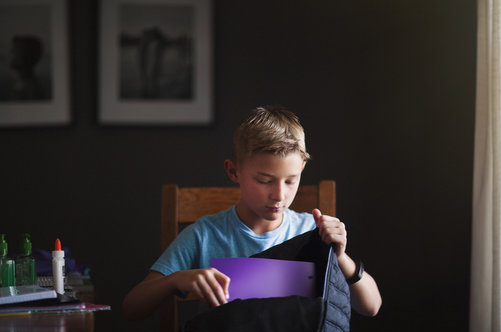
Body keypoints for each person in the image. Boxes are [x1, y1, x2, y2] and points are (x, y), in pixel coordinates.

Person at [122, 105, 382, 320]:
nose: (279, 195)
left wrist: (341, 258)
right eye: (265, 180)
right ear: (233, 171)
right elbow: (132, 309)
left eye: (290, 180)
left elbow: (371, 307)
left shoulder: (312, 232)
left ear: (302, 168)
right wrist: (177, 279)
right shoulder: (204, 236)